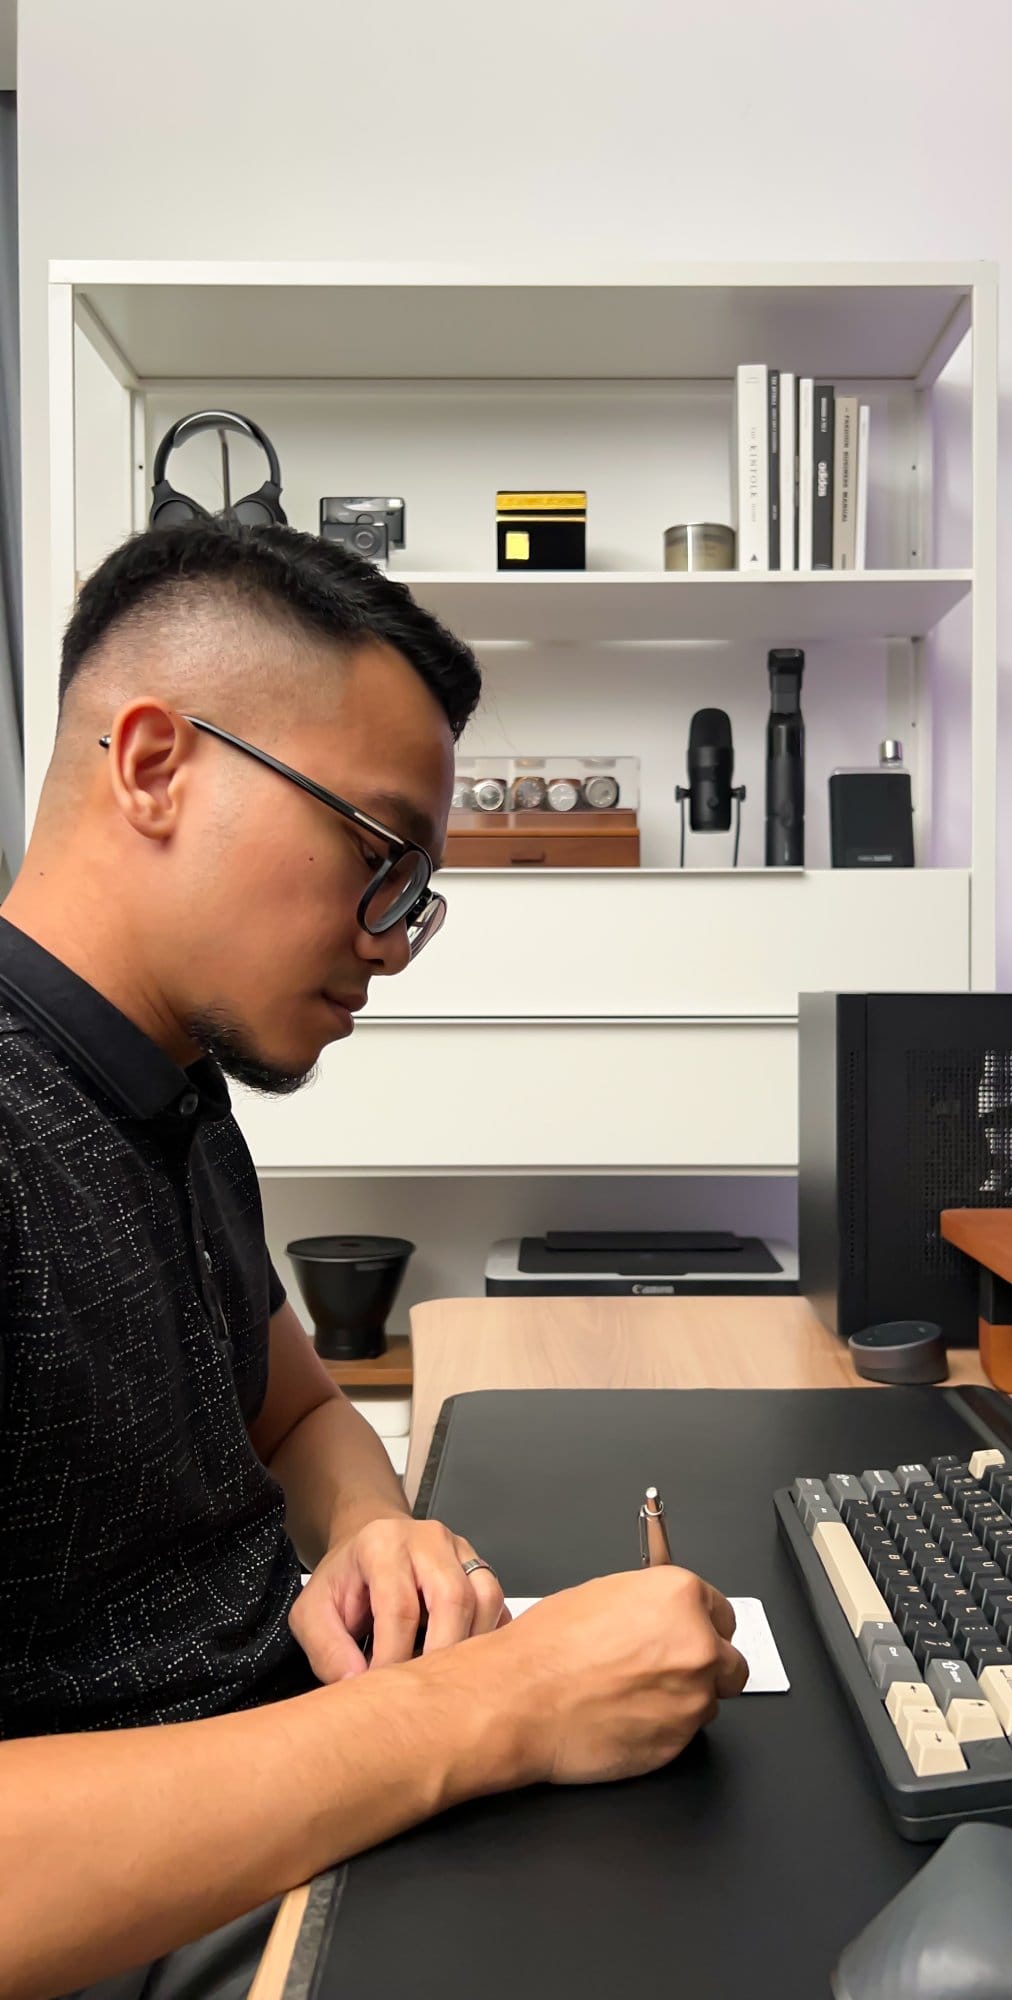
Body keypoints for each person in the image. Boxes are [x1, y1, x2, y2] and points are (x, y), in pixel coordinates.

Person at [0, 523, 747, 2000]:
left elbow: (291, 1412)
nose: (395, 941)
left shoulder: (169, 1083)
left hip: (302, 1807)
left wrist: (364, 1530)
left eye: (417, 887)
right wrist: (501, 1708)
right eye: (377, 853)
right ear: (155, 764)